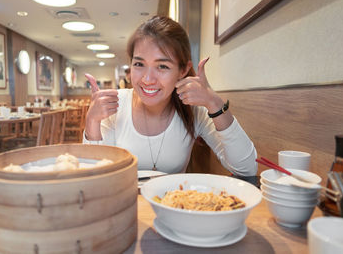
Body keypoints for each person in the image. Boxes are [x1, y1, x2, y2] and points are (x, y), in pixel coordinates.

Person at [83, 16, 257, 175]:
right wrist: (92, 121)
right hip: (124, 205)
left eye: (162, 66)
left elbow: (247, 168)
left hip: (173, 205)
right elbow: (95, 174)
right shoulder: (116, 103)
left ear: (182, 70)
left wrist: (214, 103)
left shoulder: (194, 109)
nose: (147, 79)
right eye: (139, 64)